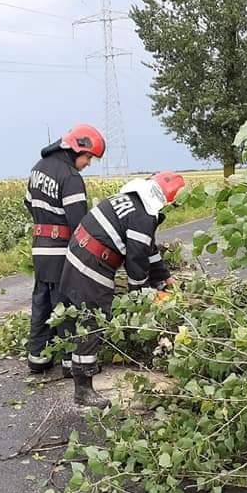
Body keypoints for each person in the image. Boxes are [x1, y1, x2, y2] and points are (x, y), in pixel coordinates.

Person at [59, 171, 185, 408]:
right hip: (91, 264)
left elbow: (148, 249)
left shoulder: (134, 201)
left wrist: (165, 279)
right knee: (93, 320)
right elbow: (136, 261)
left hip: (82, 254)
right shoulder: (143, 216)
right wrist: (142, 295)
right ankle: (82, 389)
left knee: (81, 317)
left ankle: (74, 366)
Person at [24, 124, 106, 377]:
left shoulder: (38, 168)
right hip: (62, 250)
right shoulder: (70, 177)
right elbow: (79, 223)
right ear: (76, 149)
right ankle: (72, 362)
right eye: (88, 157)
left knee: (42, 301)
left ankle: (38, 357)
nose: (88, 164)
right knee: (66, 304)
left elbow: (29, 203)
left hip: (40, 248)